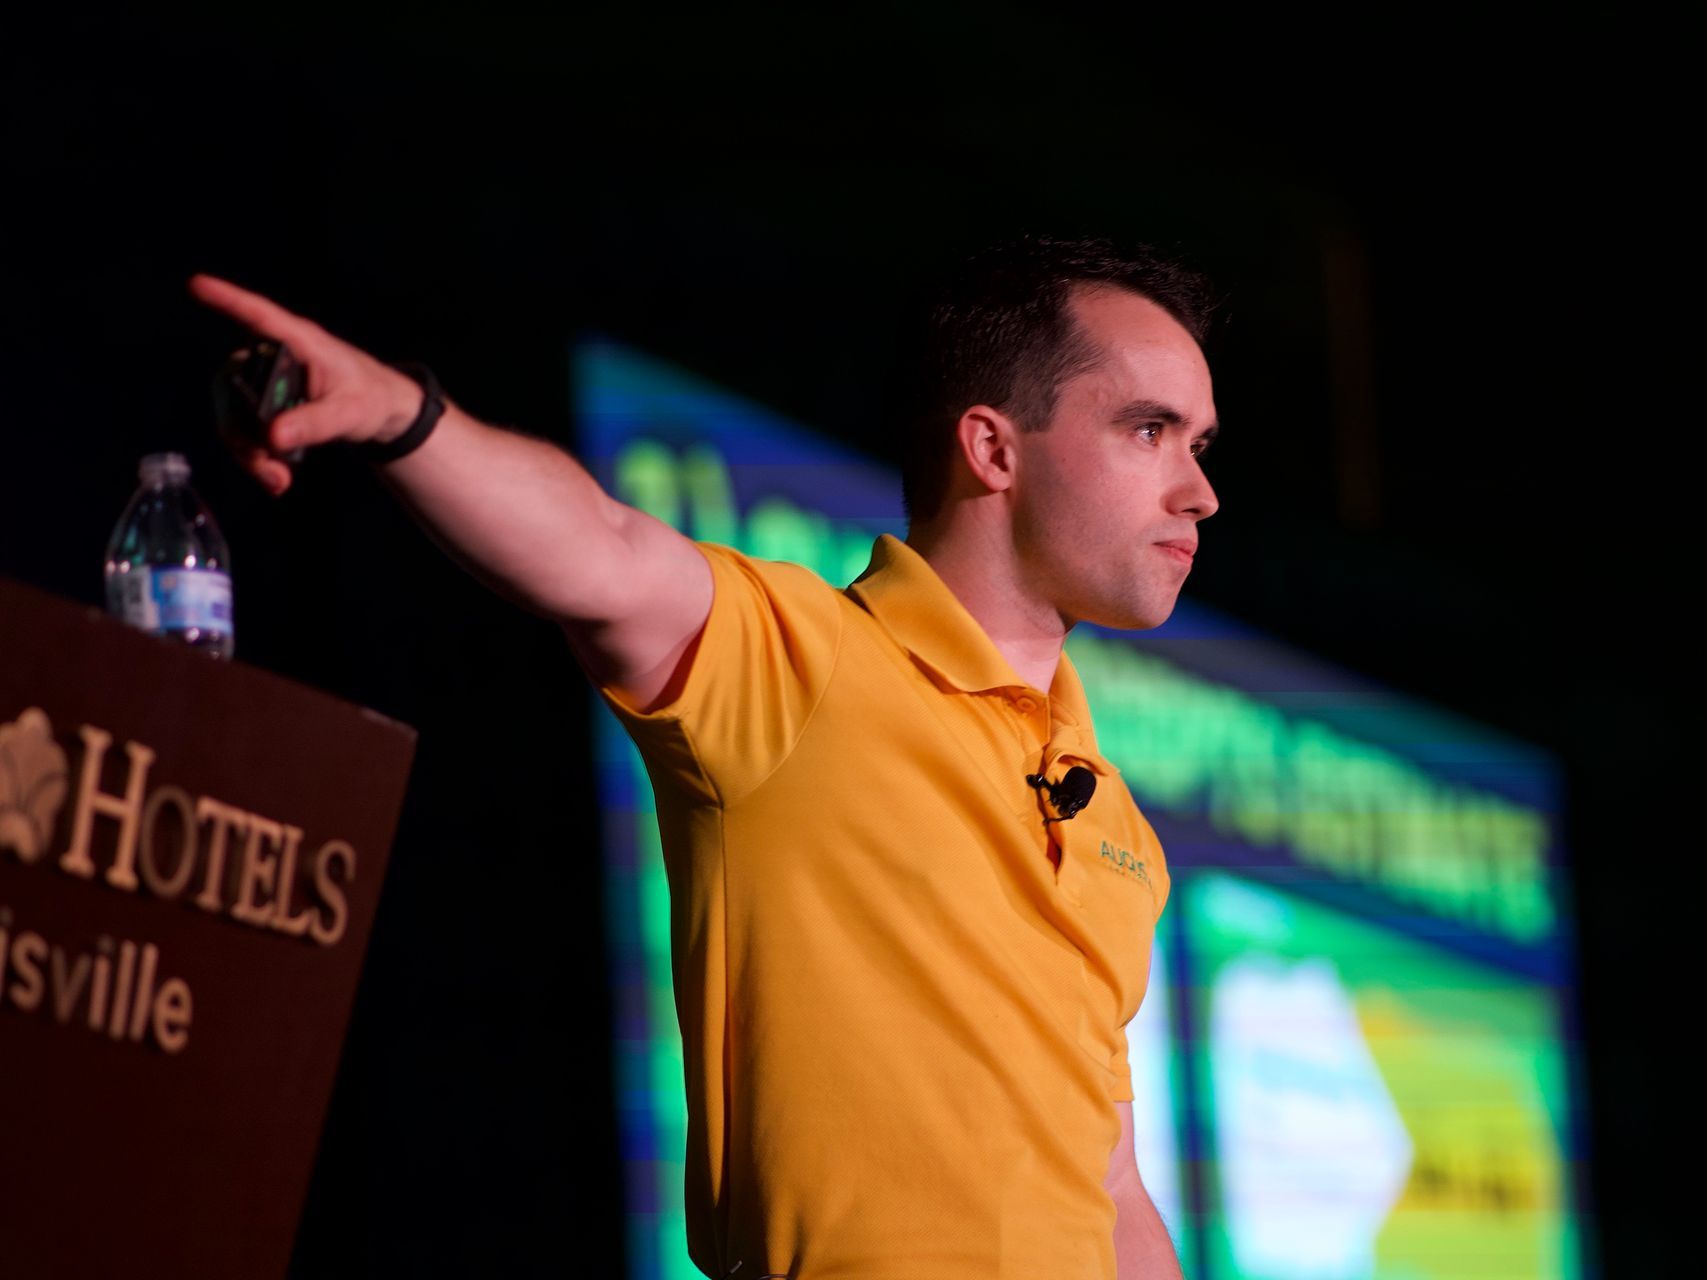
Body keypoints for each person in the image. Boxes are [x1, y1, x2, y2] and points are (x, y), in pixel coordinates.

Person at [192, 235, 1219, 1279]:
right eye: (1150, 430)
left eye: (1200, 445)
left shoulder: (1116, 820)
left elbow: (1112, 1179)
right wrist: (400, 414)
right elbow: (597, 547)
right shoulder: (801, 660)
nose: (1200, 492)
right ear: (993, 449)